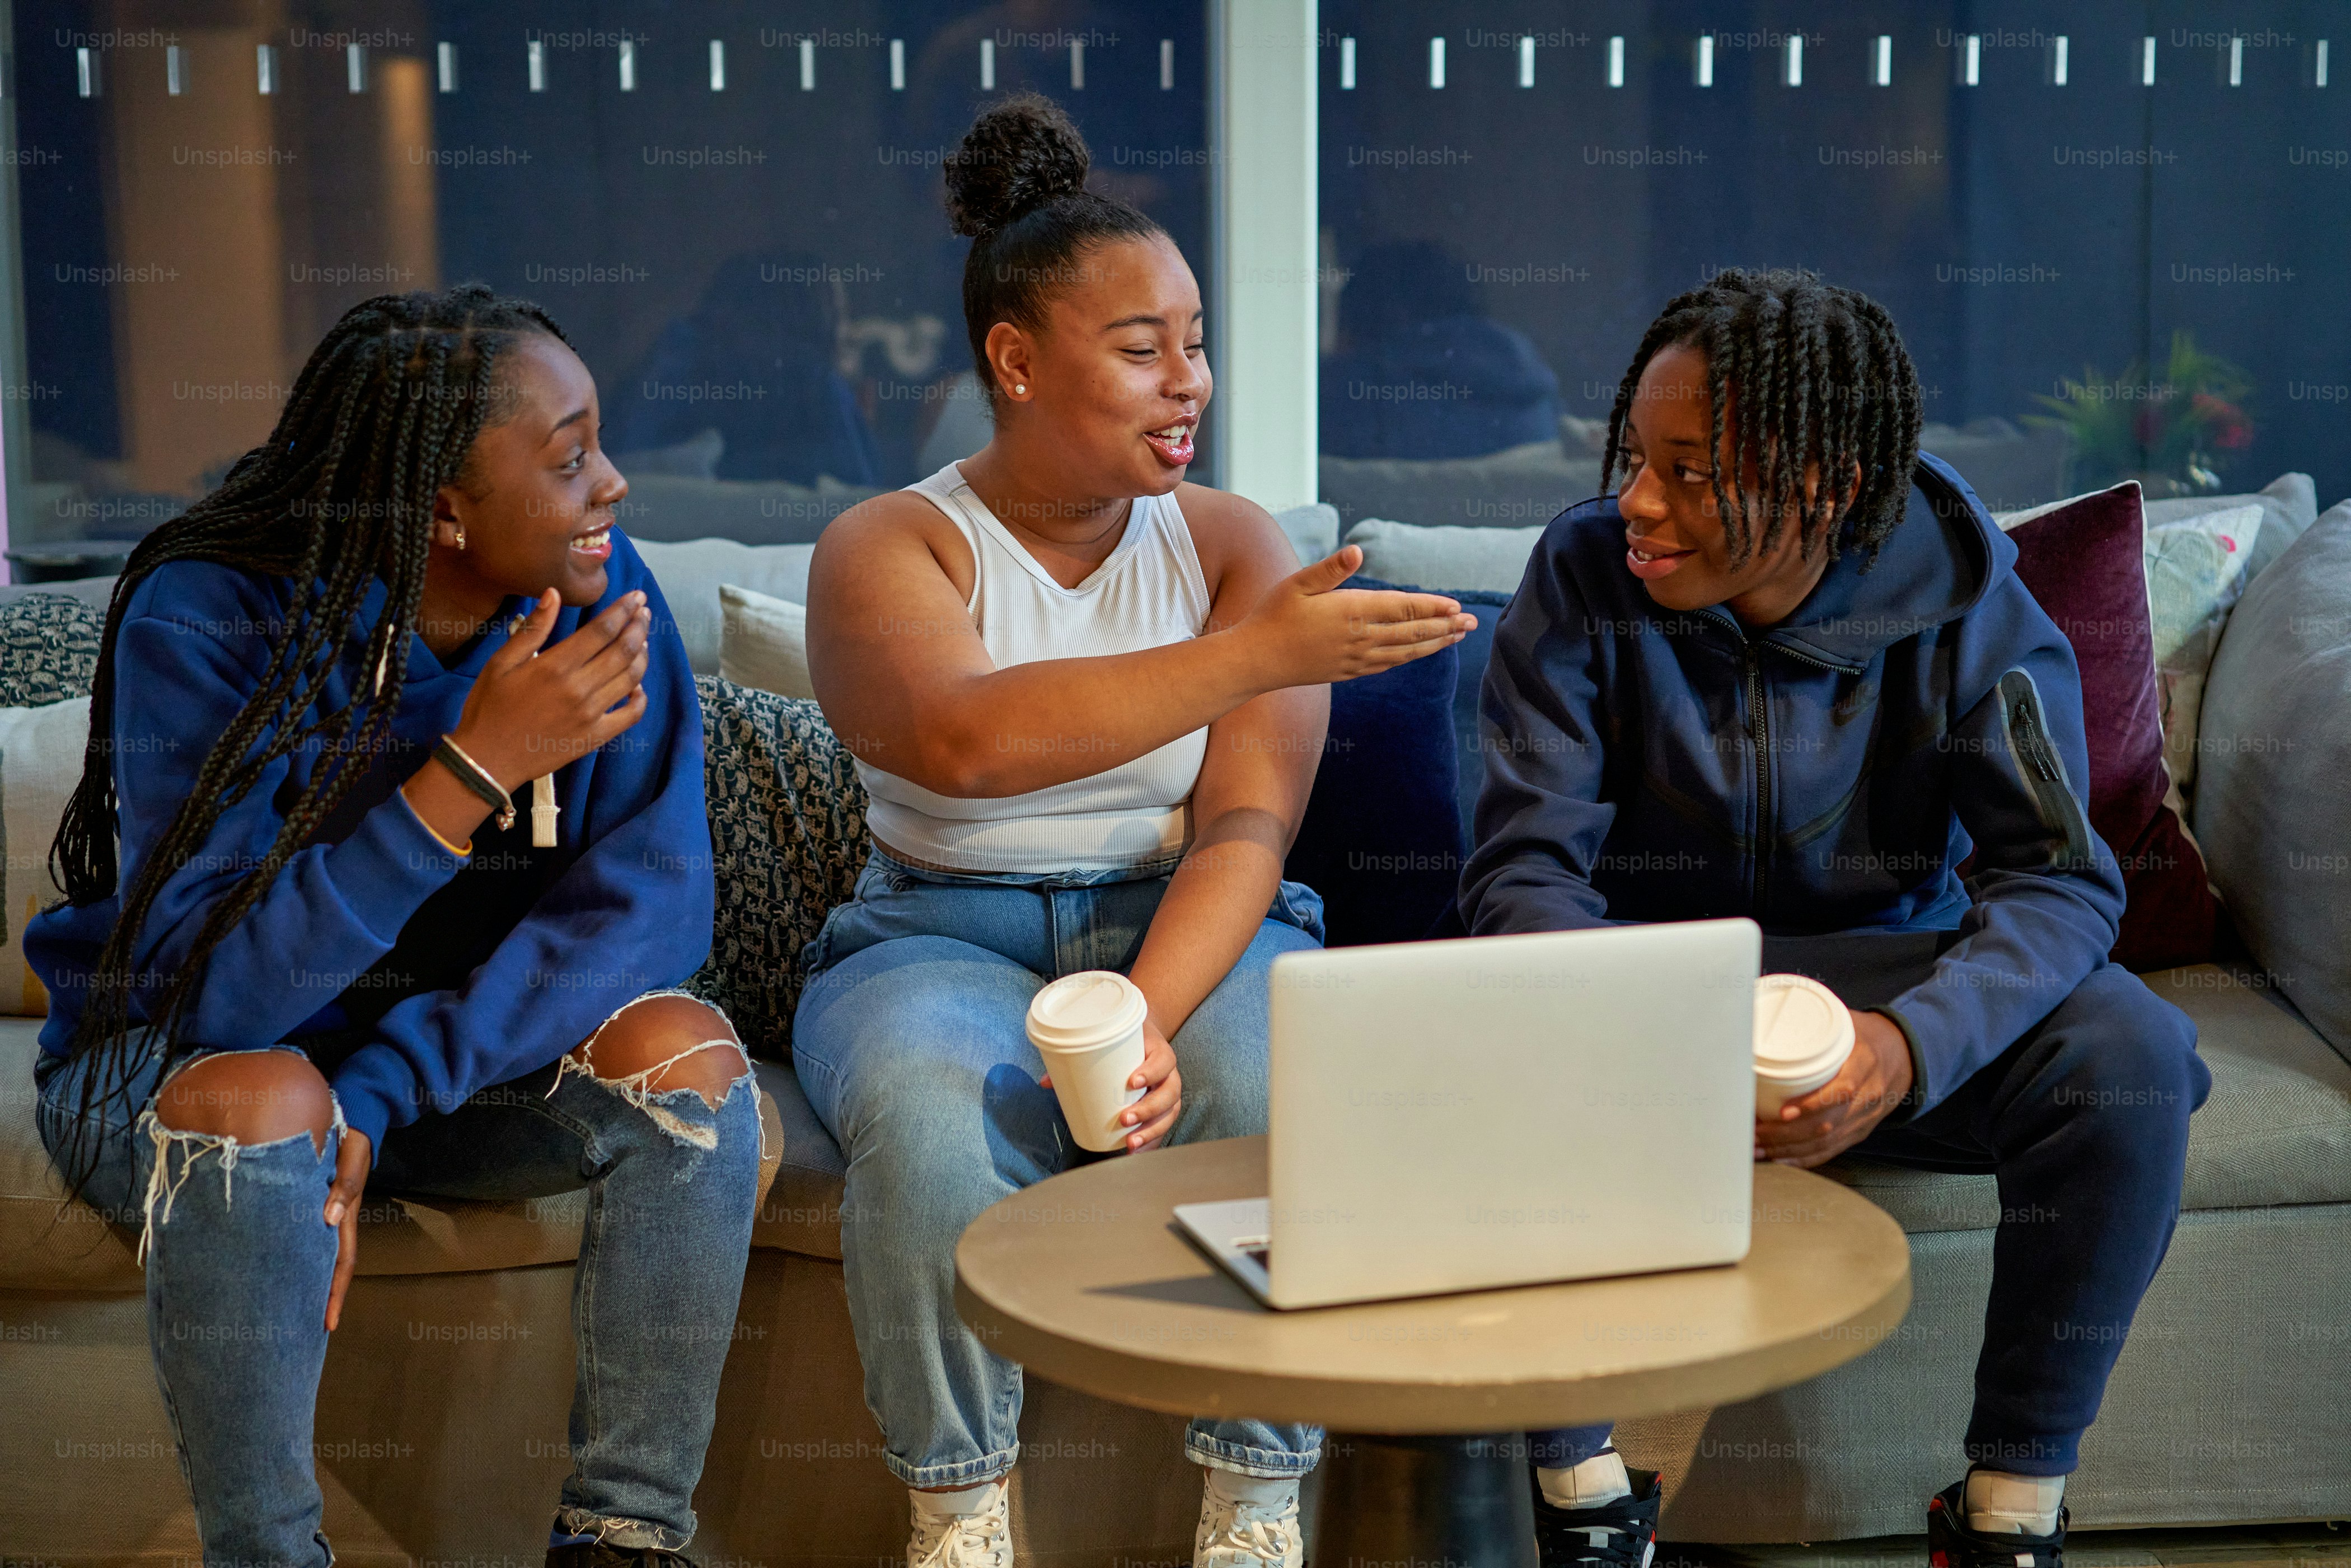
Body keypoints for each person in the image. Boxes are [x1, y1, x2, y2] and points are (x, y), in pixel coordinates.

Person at [794, 95, 1474, 1568]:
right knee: (926, 1122)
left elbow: (1246, 822)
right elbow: (966, 742)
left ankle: (1254, 1504)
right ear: (1017, 362)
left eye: (1197, 340)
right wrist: (1258, 654)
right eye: (1141, 347)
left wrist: (1149, 1018)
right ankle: (961, 1514)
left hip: (1195, 924)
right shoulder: (889, 546)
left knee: (1275, 1082)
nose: (1191, 383)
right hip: (935, 934)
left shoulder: (1234, 545)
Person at [1457, 270, 2205, 1568]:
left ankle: (2006, 1515)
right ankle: (1586, 1502)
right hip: (1645, 986)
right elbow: (1524, 876)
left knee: (2133, 1056)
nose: (1636, 499)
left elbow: (2061, 879)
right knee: (1489, 1031)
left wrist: (1905, 1049)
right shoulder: (1580, 578)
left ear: (1819, 485)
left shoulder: (1963, 593)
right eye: (1636, 457)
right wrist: (1648, 1034)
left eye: (1688, 472)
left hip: (1885, 980)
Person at [30, 285, 761, 1568]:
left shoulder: (595, 592)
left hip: (440, 1075)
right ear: (442, 509)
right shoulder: (215, 612)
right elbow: (222, 999)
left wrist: (384, 1083)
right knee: (265, 1100)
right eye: (571, 455)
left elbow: (647, 907)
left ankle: (624, 1540)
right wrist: (467, 774)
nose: (617, 486)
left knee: (685, 1057)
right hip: (191, 1068)